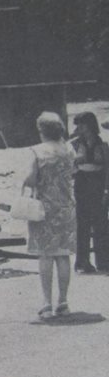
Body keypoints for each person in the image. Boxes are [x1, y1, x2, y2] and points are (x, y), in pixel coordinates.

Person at [23, 112, 76, 319]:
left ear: (42, 131)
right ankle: (63, 302)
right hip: (66, 207)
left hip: (44, 209)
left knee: (45, 255)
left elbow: (31, 178)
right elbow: (74, 172)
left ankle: (46, 303)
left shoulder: (36, 151)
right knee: (63, 255)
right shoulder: (68, 149)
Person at [71, 111, 108, 272]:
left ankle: (103, 261)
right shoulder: (73, 145)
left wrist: (107, 190)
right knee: (82, 224)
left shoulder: (102, 144)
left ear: (90, 125)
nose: (79, 127)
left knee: (101, 223)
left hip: (98, 184)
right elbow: (69, 168)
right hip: (82, 184)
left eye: (82, 124)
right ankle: (82, 262)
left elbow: (107, 168)